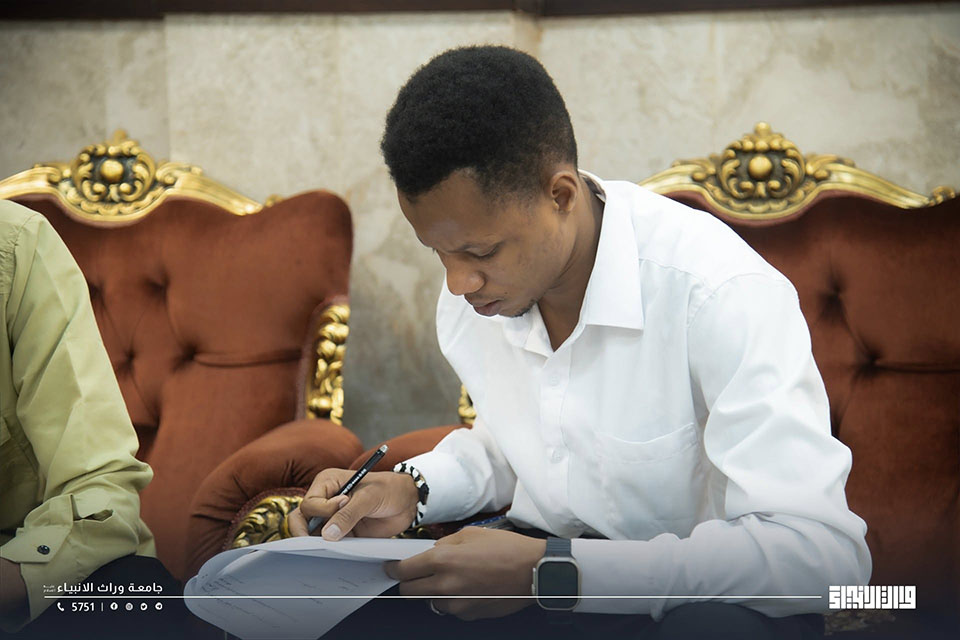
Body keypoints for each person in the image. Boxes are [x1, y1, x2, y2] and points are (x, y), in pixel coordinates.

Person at [288, 45, 871, 639]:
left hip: (705, 599)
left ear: (561, 196)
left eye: (480, 251)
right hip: (545, 576)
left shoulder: (719, 293)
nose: (457, 283)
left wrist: (552, 573)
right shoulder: (481, 295)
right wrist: (413, 489)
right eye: (438, 252)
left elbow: (821, 557)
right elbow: (523, 443)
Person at [0, 199, 186, 639]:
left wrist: (16, 576)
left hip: (18, 585)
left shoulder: (15, 242)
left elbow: (99, 485)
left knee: (139, 597)